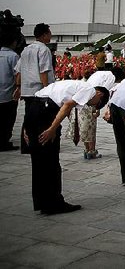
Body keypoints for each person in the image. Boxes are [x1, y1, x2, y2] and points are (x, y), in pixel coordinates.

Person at [25, 80, 110, 214]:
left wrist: (27, 128)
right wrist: (52, 128)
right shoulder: (90, 90)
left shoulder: (72, 86)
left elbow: (35, 102)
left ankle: (42, 202)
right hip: (46, 112)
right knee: (50, 161)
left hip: (35, 108)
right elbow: (67, 105)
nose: (92, 106)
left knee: (38, 161)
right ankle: (54, 203)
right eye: (97, 104)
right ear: (99, 94)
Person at [15, 23, 55, 154]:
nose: (50, 36)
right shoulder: (43, 49)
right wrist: (46, 89)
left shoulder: (26, 50)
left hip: (27, 90)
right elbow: (44, 71)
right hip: (38, 90)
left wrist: (18, 87)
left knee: (28, 117)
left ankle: (26, 144)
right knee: (40, 118)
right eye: (49, 33)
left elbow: (19, 71)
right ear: (44, 35)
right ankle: (39, 142)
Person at [81, 68, 125, 159]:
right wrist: (98, 108)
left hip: (83, 98)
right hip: (92, 100)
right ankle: (92, 151)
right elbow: (103, 92)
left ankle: (86, 149)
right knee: (91, 126)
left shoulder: (100, 73)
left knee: (85, 125)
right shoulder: (111, 77)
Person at [0, 26, 20, 151]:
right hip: (8, 94)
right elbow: (17, 74)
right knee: (7, 120)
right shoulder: (13, 56)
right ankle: (4, 142)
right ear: (13, 42)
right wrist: (18, 87)